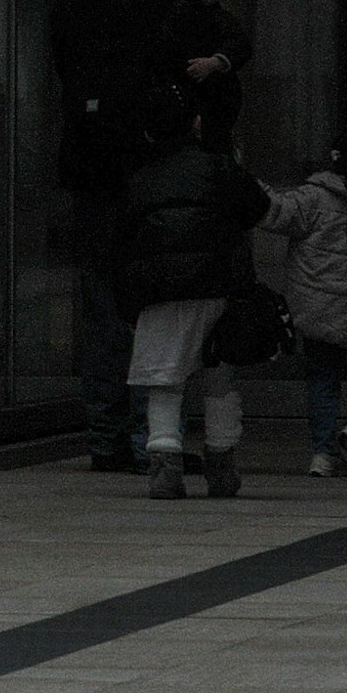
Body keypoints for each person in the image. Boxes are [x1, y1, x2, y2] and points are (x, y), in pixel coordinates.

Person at [53, 0, 186, 469]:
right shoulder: (169, 5)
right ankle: (145, 431)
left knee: (102, 303)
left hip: (91, 167)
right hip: (155, 167)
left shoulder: (76, 0)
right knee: (155, 304)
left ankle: (105, 432)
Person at [113, 92, 273, 497]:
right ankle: (221, 463)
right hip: (218, 284)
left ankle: (165, 463)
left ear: (150, 131)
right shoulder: (220, 168)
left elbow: (120, 240)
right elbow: (258, 206)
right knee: (218, 379)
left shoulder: (139, 178)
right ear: (196, 124)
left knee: (164, 381)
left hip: (158, 288)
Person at [258, 123, 347, 479]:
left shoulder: (313, 197)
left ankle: (322, 454)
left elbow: (274, 212)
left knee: (322, 376)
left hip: (319, 307)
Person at [162, 0, 252, 143]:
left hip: (215, 99)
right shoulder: (168, 17)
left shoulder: (220, 18)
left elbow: (240, 43)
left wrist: (215, 63)